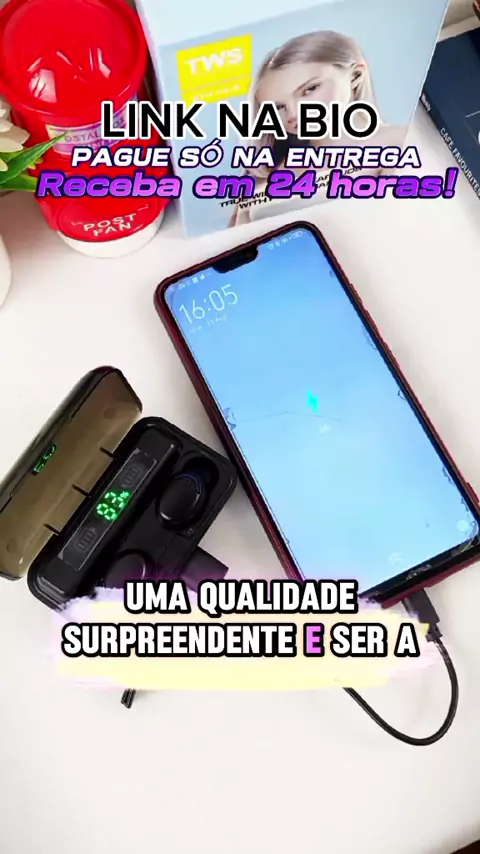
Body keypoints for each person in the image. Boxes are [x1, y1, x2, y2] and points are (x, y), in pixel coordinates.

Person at [228, 30, 405, 226]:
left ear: (355, 76)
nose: (293, 113)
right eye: (278, 107)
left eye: (309, 90)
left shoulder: (398, 142)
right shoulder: (263, 173)